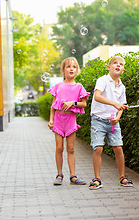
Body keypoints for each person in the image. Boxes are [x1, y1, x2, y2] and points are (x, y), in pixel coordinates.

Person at [89, 56, 133, 190]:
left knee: (118, 148)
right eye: (115, 63)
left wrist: (118, 117)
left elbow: (122, 106)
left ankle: (122, 177)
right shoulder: (102, 80)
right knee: (98, 148)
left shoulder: (122, 87)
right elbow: (97, 96)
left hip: (113, 122)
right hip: (98, 120)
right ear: (109, 67)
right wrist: (114, 103)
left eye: (121, 64)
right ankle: (97, 178)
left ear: (123, 70)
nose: (118, 65)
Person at [48, 57, 90, 186]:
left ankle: (73, 176)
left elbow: (84, 104)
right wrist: (51, 120)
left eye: (74, 67)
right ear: (63, 70)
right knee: (59, 148)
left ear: (77, 70)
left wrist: (73, 102)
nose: (71, 69)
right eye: (68, 66)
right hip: (58, 120)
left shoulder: (79, 87)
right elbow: (53, 105)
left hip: (71, 120)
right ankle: (59, 175)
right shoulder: (58, 86)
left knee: (71, 149)